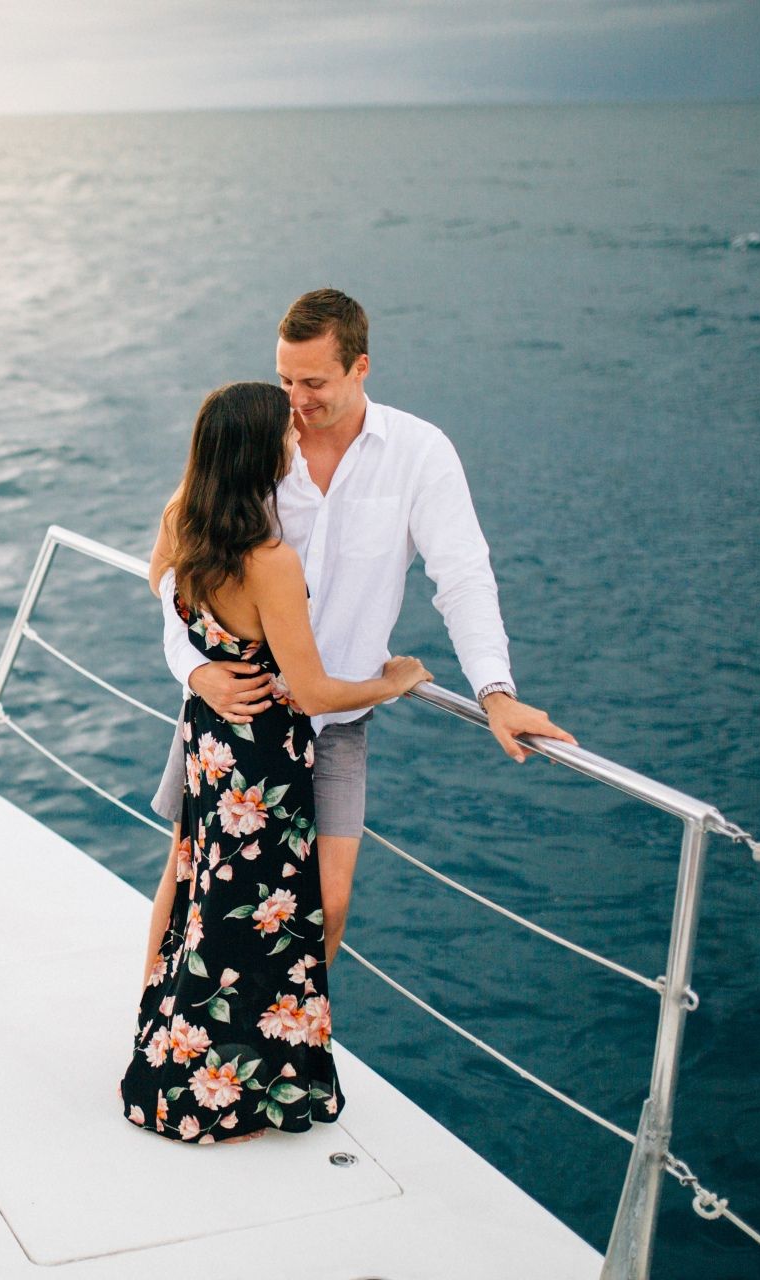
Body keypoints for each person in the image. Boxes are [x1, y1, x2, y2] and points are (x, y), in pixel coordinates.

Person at [151, 289, 574, 981]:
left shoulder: (418, 454)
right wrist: (192, 669)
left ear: (360, 367)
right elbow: (173, 566)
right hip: (236, 710)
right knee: (189, 885)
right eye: (286, 380)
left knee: (330, 900)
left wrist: (495, 691)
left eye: (313, 383)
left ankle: (287, 1060)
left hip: (335, 717)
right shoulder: (258, 440)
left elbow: (463, 576)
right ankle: (155, 1037)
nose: (295, 399)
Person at [118, 381, 432, 1145]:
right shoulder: (269, 561)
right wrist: (390, 683)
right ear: (265, 451)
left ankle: (171, 1062)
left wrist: (199, 667)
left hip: (210, 739)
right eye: (284, 428)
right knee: (262, 923)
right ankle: (236, 1093)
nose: (298, 433)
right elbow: (317, 691)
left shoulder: (184, 520)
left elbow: (158, 579)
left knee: (202, 897)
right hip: (263, 760)